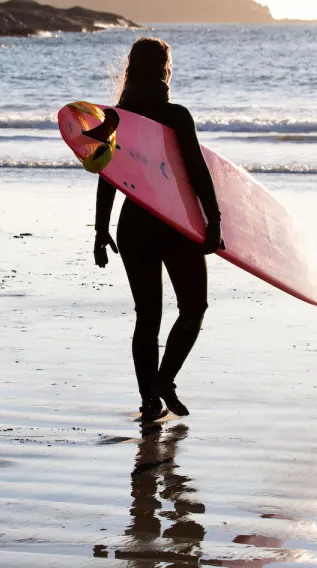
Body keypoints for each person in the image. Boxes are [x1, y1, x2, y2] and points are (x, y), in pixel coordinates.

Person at [93, 36, 224, 422]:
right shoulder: (176, 116)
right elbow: (197, 173)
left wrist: (101, 230)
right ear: (165, 71)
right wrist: (213, 221)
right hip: (175, 222)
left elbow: (107, 175)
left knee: (146, 316)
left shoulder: (117, 118)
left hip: (133, 224)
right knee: (193, 307)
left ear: (132, 69)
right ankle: (164, 381)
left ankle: (149, 402)